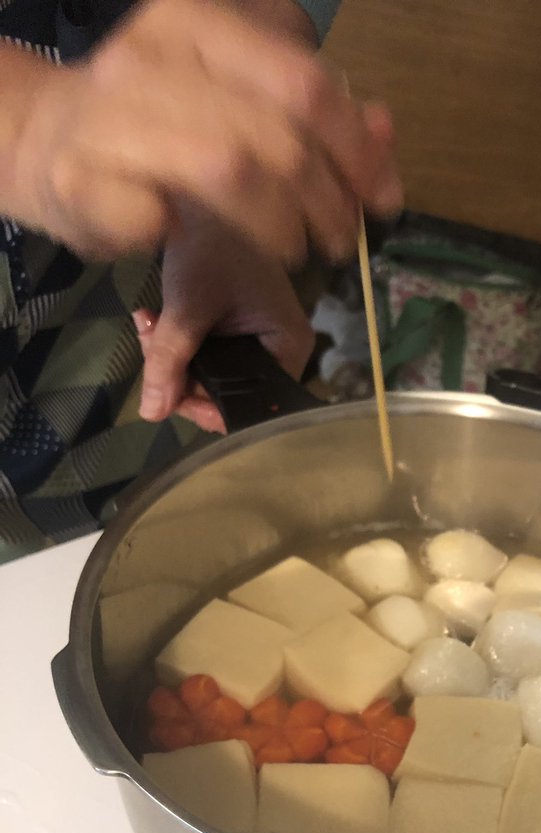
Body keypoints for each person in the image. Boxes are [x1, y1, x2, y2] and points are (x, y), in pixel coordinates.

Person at [0, 0, 402, 561]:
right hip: (67, 135)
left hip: (125, 215)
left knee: (161, 527)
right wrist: (23, 122)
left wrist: (219, 197)